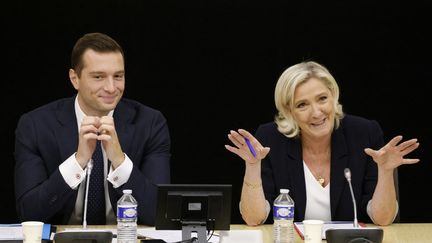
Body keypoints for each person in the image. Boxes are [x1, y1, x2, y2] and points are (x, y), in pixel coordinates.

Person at [225, 61, 420, 226]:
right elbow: (254, 219)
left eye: (322, 99)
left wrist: (385, 172)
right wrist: (252, 166)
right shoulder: (270, 139)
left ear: (333, 95)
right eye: (302, 105)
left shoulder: (364, 133)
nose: (316, 112)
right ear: (288, 110)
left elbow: (382, 220)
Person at [14, 32, 171, 225]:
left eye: (118, 76)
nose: (111, 88)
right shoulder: (36, 125)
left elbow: (160, 213)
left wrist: (119, 161)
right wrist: (78, 161)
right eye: (99, 77)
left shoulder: (149, 123)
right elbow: (30, 213)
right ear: (75, 79)